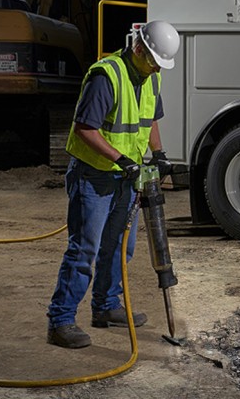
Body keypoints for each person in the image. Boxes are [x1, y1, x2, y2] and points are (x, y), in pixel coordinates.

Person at [46, 20, 180, 349]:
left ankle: (106, 306)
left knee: (121, 247)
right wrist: (121, 159)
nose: (154, 69)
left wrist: (158, 153)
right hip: (95, 175)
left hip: (126, 179)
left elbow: (149, 119)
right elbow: (85, 129)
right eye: (152, 61)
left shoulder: (151, 76)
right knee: (84, 249)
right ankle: (61, 320)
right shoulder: (106, 76)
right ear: (138, 49)